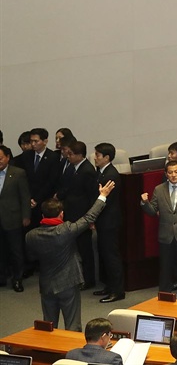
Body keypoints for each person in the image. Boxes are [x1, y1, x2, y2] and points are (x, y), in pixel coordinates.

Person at [25, 178, 114, 331]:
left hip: (46, 284)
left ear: (43, 215)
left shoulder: (31, 235)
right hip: (68, 283)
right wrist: (102, 196)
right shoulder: (65, 230)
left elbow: (32, 257)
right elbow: (89, 218)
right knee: (72, 325)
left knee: (48, 326)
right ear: (61, 214)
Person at [140, 161, 177, 300]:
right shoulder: (159, 189)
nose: (173, 175)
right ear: (166, 174)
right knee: (165, 270)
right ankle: (165, 299)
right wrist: (145, 203)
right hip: (166, 236)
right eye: (170, 173)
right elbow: (152, 211)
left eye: (176, 172)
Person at [55, 139, 98, 289]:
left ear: (80, 155)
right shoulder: (71, 168)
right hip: (71, 213)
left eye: (71, 154)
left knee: (85, 249)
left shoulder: (87, 170)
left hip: (82, 215)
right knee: (74, 248)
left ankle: (89, 279)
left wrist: (91, 218)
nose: (68, 157)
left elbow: (91, 195)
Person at [91, 142, 124, 302]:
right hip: (103, 221)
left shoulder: (111, 174)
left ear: (106, 157)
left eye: (97, 155)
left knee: (111, 256)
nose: (95, 158)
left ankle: (117, 291)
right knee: (104, 255)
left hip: (109, 222)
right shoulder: (101, 172)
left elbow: (104, 200)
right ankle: (110, 286)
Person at [0, 144, 30, 292]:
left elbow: (25, 197)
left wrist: (26, 216)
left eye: (0, 158)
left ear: (7, 158)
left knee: (16, 251)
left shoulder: (18, 173)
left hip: (13, 218)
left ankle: (17, 279)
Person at [22, 128, 61, 229]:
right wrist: (29, 198)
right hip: (28, 200)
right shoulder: (26, 155)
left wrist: (37, 199)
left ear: (45, 141)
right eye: (31, 141)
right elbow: (24, 178)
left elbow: (51, 181)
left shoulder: (53, 157)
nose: (33, 144)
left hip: (44, 201)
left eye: (36, 141)